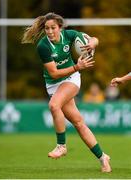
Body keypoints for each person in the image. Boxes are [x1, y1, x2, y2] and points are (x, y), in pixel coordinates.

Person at [22, 12, 111, 173]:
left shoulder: (69, 35)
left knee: (54, 105)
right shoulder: (43, 46)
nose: (50, 31)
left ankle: (61, 146)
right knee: (78, 123)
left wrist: (92, 44)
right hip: (54, 84)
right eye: (47, 28)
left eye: (53, 28)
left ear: (60, 27)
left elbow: (95, 39)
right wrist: (77, 66)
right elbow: (54, 73)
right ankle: (103, 157)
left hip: (71, 78)